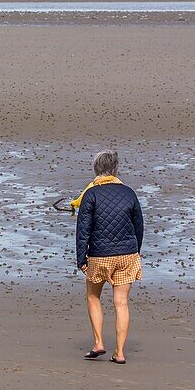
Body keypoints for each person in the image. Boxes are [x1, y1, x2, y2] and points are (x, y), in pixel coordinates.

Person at [75, 150, 144, 365]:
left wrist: (81, 258)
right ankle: (120, 352)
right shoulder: (129, 193)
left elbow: (83, 229)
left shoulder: (91, 194)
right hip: (127, 254)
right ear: (115, 169)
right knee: (121, 303)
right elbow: (138, 226)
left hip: (99, 255)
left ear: (96, 169)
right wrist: (136, 251)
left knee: (93, 296)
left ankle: (98, 343)